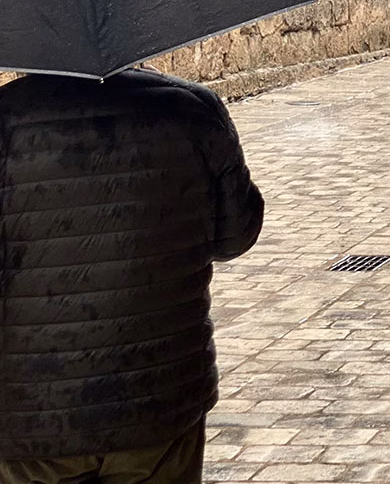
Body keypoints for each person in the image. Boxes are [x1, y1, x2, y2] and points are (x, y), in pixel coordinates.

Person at [0, 70, 263, 484]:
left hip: (31, 417)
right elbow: (235, 235)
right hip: (160, 402)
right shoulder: (193, 110)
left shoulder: (5, 119)